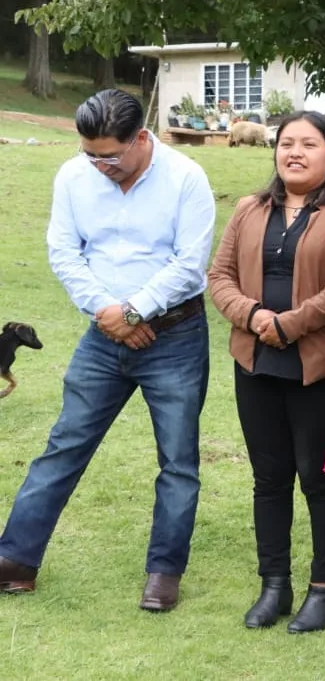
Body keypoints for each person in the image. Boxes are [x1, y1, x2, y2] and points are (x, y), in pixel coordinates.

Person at [0, 89, 215, 611]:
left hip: (176, 336)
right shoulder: (74, 175)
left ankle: (164, 572)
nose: (99, 167)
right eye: (90, 154)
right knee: (64, 444)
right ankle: (15, 561)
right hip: (103, 334)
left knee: (178, 460)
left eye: (111, 156)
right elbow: (63, 251)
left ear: (142, 137)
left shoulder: (186, 178)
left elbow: (189, 264)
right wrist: (111, 314)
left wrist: (135, 310)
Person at [207, 111, 325, 632]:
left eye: (308, 144)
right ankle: (274, 584)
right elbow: (220, 275)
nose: (294, 152)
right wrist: (252, 317)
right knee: (268, 479)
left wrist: (291, 324)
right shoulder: (250, 208)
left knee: (318, 480)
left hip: (316, 365)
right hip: (255, 362)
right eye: (286, 143)